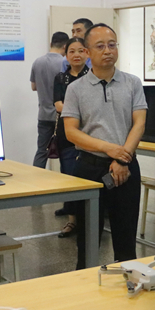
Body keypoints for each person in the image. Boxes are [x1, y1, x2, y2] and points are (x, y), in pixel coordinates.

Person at [62, 24, 147, 269]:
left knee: (126, 238)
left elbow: (139, 123)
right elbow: (71, 132)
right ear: (88, 52)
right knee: (87, 240)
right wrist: (109, 148)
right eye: (100, 46)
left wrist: (121, 158)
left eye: (112, 45)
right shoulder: (75, 89)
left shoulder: (132, 83)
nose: (107, 51)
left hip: (126, 167)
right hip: (89, 168)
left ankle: (128, 282)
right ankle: (85, 285)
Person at [53, 37, 90, 237]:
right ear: (66, 55)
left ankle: (89, 219)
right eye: (72, 51)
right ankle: (72, 220)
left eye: (80, 51)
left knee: (87, 177)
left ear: (87, 53)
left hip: (89, 133)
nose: (76, 55)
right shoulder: (60, 78)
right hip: (67, 134)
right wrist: (79, 110)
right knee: (69, 176)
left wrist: (74, 110)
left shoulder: (92, 76)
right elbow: (58, 104)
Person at [30, 31, 68, 168]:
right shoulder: (65, 63)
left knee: (41, 151)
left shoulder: (37, 62)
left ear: (51, 43)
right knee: (65, 153)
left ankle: (36, 179)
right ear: (65, 46)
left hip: (43, 115)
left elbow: (33, 87)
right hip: (62, 116)